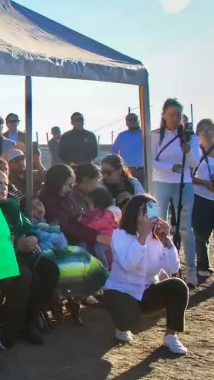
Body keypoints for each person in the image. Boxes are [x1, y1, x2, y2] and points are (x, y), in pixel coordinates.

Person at [0, 169, 59, 346]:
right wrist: (16, 245)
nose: (4, 187)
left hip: (22, 254)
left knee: (49, 269)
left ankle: (29, 322)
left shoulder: (11, 205)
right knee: (28, 276)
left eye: (6, 183)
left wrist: (32, 238)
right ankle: (11, 326)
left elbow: (28, 227)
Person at [102, 195, 188, 354]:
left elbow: (172, 268)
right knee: (130, 321)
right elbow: (128, 265)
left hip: (147, 290)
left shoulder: (157, 237)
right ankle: (121, 325)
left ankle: (171, 337)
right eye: (148, 209)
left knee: (177, 286)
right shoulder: (120, 235)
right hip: (121, 290)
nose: (153, 213)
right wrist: (142, 236)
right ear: (135, 213)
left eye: (154, 208)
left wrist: (167, 240)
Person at [151, 98, 201, 285]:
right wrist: (169, 167)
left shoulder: (189, 137)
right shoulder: (155, 135)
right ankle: (160, 269)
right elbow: (150, 160)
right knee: (156, 225)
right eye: (171, 114)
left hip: (184, 184)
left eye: (178, 115)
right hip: (159, 183)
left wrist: (187, 151)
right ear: (163, 115)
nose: (175, 118)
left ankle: (191, 270)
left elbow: (194, 163)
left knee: (185, 229)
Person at [39, 164, 112, 254]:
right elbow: (64, 226)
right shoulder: (49, 200)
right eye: (66, 185)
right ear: (56, 183)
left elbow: (76, 217)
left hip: (79, 237)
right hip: (63, 242)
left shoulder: (66, 196)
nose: (69, 189)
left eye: (71, 185)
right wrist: (95, 236)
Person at [192, 119, 214, 278]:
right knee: (201, 234)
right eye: (202, 130)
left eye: (210, 129)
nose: (206, 133)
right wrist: (204, 183)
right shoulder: (195, 152)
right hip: (201, 196)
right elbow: (187, 175)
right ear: (197, 134)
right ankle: (203, 266)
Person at [81, 187, 119, 268]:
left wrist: (83, 225)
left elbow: (95, 225)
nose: (87, 205)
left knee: (99, 249)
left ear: (99, 204)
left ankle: (105, 267)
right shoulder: (91, 212)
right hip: (97, 238)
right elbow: (86, 219)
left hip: (107, 238)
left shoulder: (106, 214)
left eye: (90, 203)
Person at [111, 113, 146, 185]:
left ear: (138, 121)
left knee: (143, 193)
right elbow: (114, 152)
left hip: (143, 170)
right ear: (126, 122)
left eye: (135, 119)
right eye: (130, 120)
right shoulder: (122, 135)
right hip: (127, 170)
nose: (133, 121)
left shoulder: (145, 134)